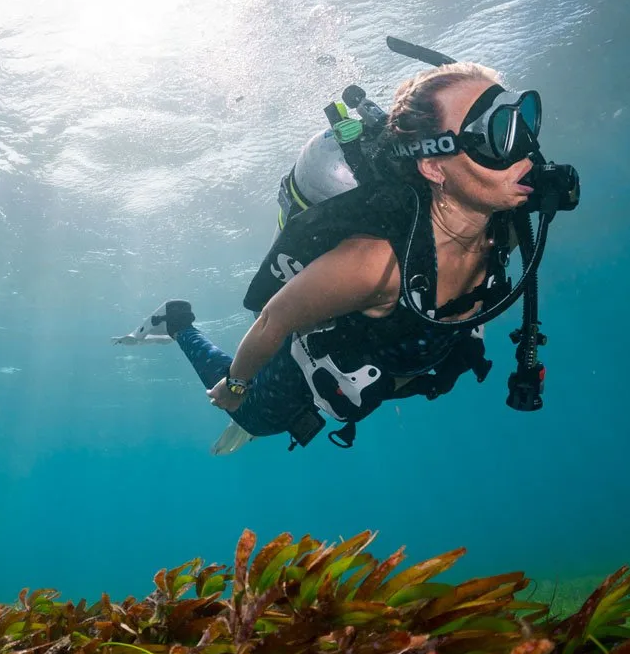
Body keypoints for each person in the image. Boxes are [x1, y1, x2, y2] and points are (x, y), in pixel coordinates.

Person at [114, 55, 578, 454]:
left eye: (524, 117)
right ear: (435, 165)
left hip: (407, 360)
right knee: (258, 419)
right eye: (497, 132)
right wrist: (235, 388)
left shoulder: (508, 219)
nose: (528, 149)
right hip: (304, 367)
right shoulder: (374, 265)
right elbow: (273, 321)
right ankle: (178, 322)